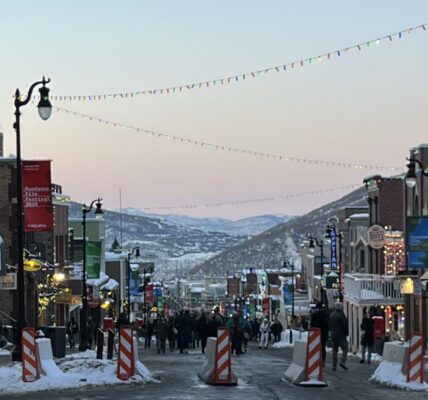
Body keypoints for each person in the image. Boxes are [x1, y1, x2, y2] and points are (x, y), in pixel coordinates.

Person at [329, 302, 349, 370]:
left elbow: (329, 325)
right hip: (341, 336)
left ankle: (334, 365)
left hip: (333, 336)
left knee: (334, 350)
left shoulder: (331, 315)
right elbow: (344, 326)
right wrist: (346, 333)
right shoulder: (341, 315)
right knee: (345, 348)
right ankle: (342, 362)